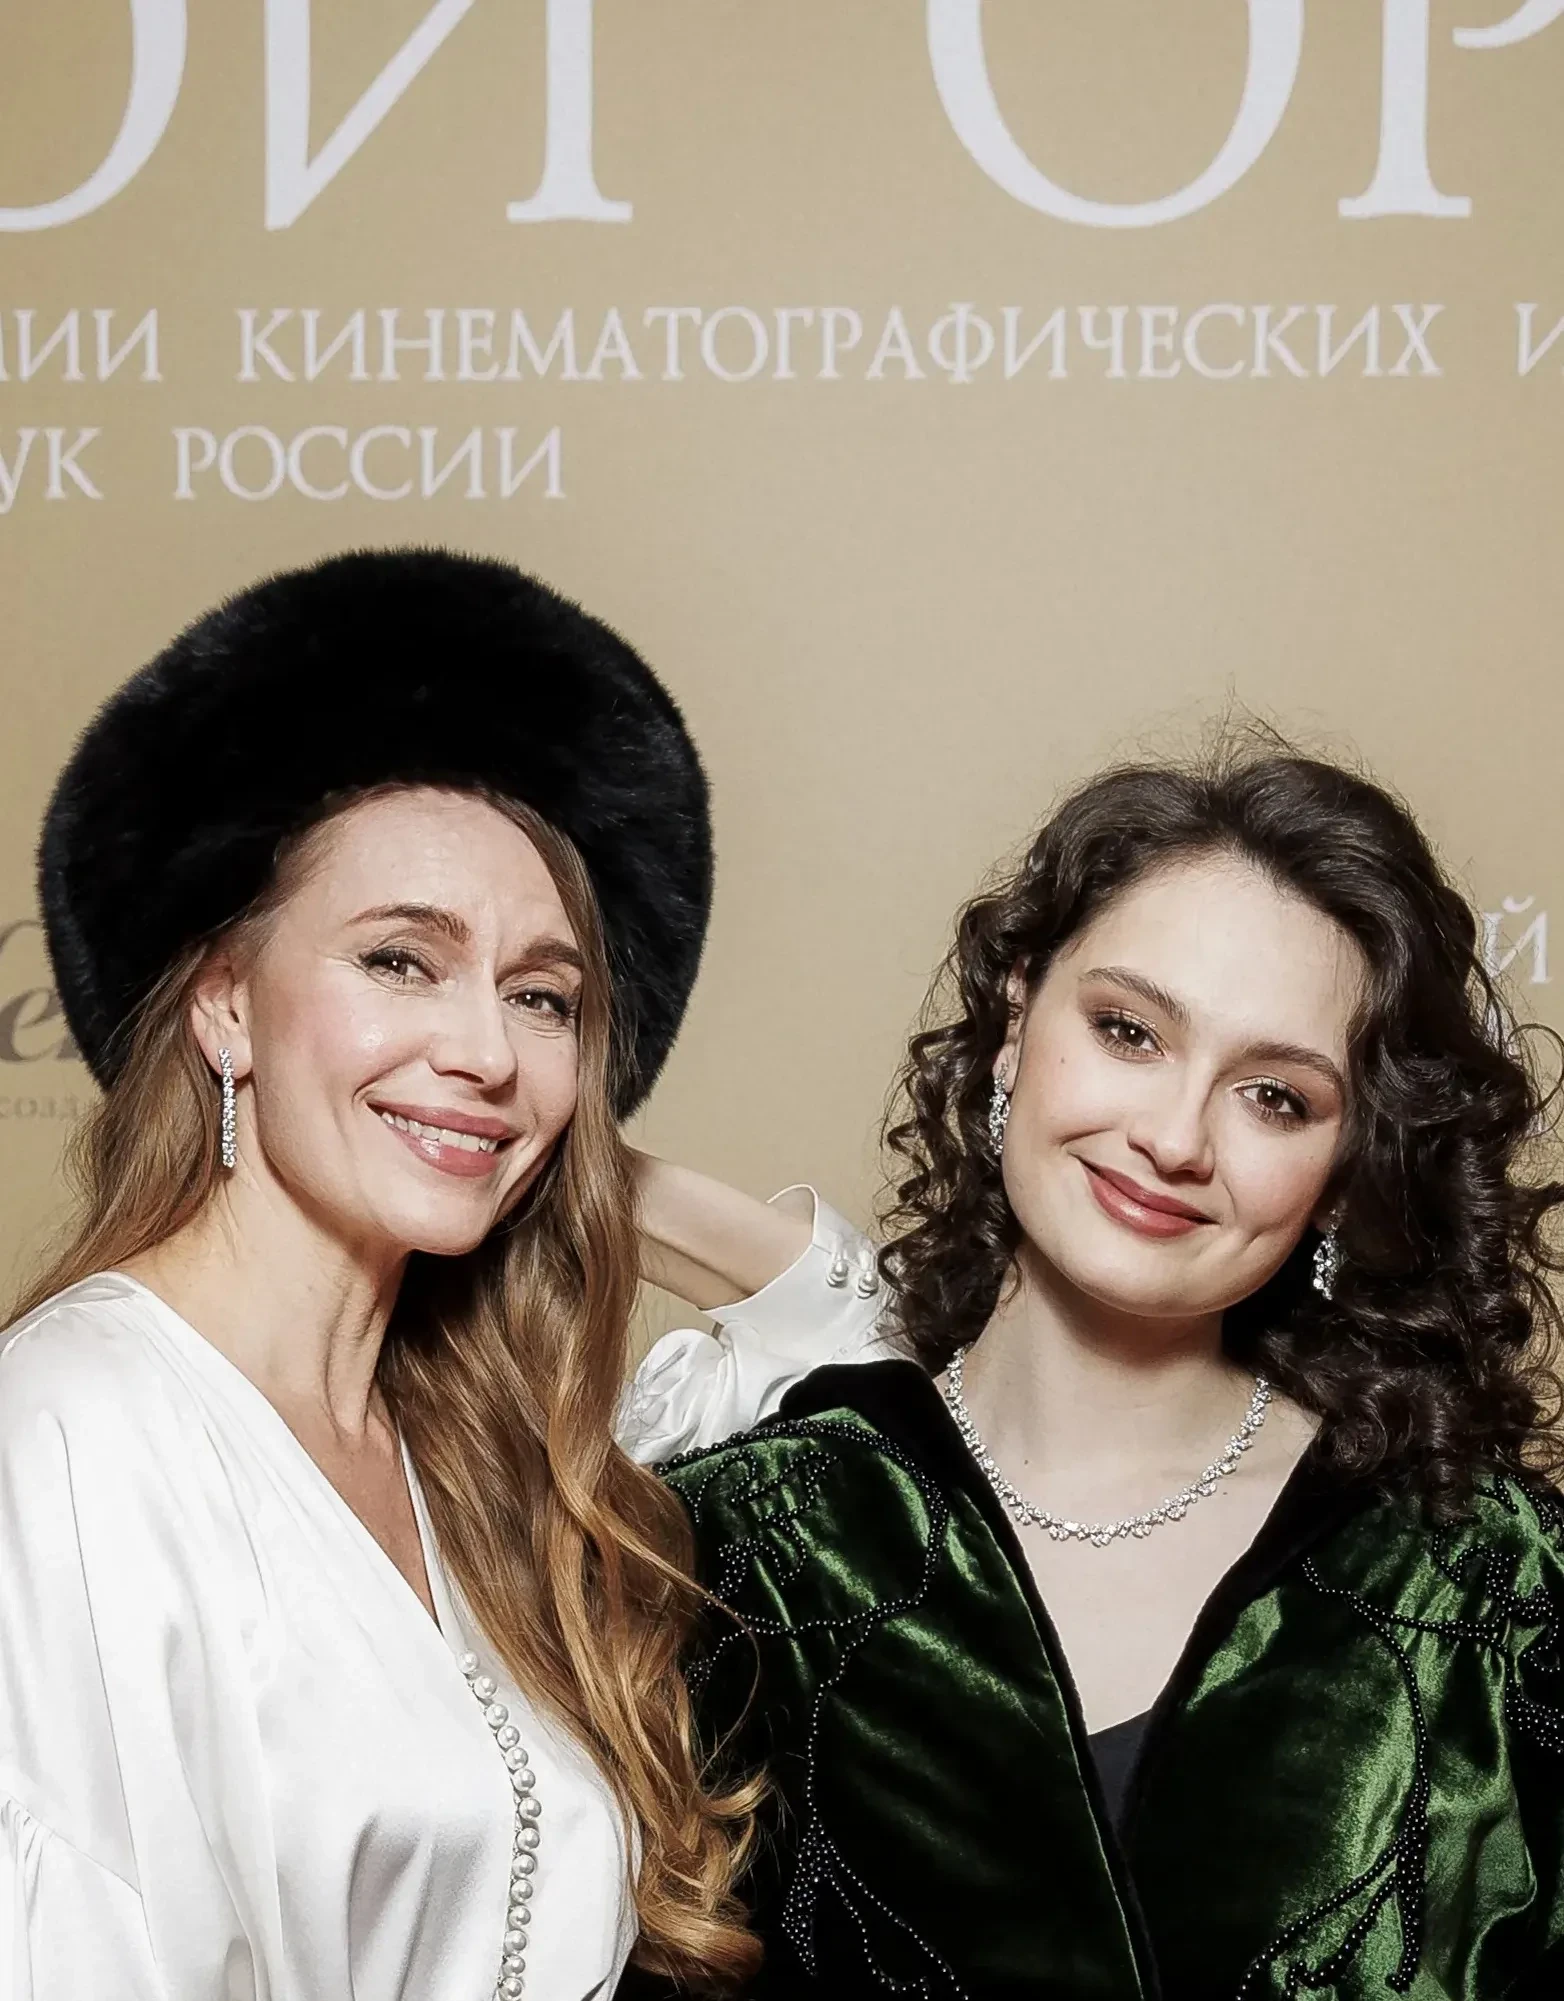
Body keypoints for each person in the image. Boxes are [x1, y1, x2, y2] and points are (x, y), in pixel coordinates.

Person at [0, 549, 881, 2000]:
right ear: (227, 1004)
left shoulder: (490, 1449)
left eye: (541, 996)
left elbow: (866, 1359)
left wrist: (556, 1150)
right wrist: (473, 1117)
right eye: (400, 963)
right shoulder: (74, 1433)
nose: (483, 1044)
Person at [624, 746, 1564, 1999]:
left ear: (1345, 1171)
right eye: (1127, 1032)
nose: (1173, 1138)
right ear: (1017, 1023)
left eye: (1275, 1098)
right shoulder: (736, 1553)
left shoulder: (1492, 1587)